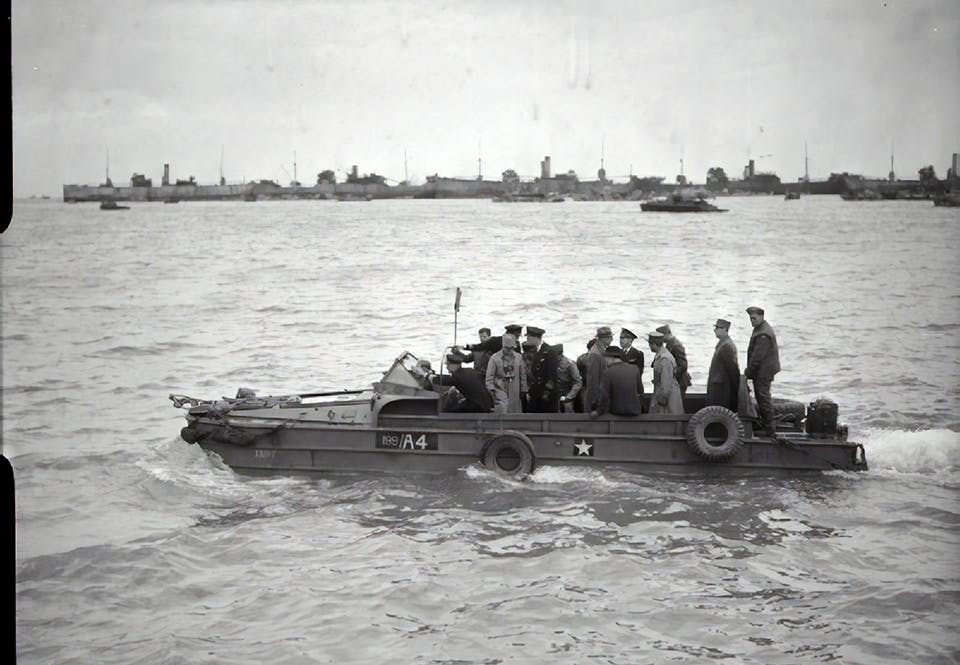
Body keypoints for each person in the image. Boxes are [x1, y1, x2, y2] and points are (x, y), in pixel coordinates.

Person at [744, 306, 780, 435]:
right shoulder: (760, 329)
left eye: (754, 318)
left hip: (764, 371)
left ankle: (769, 429)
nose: (752, 321)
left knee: (763, 397)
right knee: (761, 396)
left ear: (761, 317)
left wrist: (747, 373)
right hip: (762, 371)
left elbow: (757, 357)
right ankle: (766, 424)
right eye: (750, 319)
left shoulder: (764, 334)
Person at [485, 332, 527, 413]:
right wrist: (491, 390)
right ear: (503, 346)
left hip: (515, 390)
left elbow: (523, 375)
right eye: (508, 348)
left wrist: (523, 389)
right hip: (500, 390)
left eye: (512, 348)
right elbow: (489, 377)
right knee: (502, 411)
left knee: (515, 412)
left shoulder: (518, 357)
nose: (510, 350)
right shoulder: (494, 358)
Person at [705, 318, 740, 412]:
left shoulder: (726, 346)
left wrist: (736, 390)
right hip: (719, 387)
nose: (714, 330)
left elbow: (733, 371)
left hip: (721, 390)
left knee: (719, 413)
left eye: (717, 327)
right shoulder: (723, 344)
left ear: (725, 329)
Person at [600, 345, 644, 416]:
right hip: (635, 411)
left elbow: (605, 396)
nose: (605, 361)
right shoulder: (635, 369)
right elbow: (641, 391)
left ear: (611, 358)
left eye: (605, 358)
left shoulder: (608, 372)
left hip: (617, 411)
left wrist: (598, 411)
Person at [524, 326, 560, 413]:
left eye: (529, 337)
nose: (527, 339)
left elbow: (552, 374)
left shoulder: (549, 352)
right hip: (536, 394)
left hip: (545, 396)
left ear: (536, 338)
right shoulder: (538, 352)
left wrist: (547, 392)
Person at [648, 331, 684, 415]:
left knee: (666, 420)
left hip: (668, 398)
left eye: (650, 344)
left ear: (653, 344)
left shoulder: (665, 359)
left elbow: (666, 382)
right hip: (664, 393)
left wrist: (661, 400)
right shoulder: (661, 355)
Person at [584, 326, 613, 415]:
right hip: (597, 399)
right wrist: (594, 402)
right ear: (603, 338)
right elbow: (593, 379)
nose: (612, 340)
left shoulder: (600, 350)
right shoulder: (595, 354)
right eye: (610, 337)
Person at [656, 325, 692, 395]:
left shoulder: (676, 345)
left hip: (679, 382)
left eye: (660, 337)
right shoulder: (670, 343)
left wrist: (670, 376)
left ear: (666, 335)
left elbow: (683, 366)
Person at [555, 344, 582, 413]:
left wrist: (570, 396)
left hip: (567, 392)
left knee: (568, 409)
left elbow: (577, 382)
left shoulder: (570, 364)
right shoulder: (551, 363)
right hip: (555, 393)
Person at [574, 339, 596, 413]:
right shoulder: (584, 359)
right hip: (588, 386)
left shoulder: (581, 358)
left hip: (585, 386)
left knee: (586, 407)